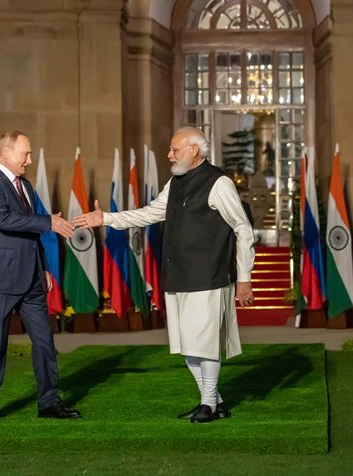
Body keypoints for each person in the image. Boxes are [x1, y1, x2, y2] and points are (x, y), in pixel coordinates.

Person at [72, 126, 255, 423]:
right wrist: (105, 218)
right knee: (187, 344)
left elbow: (243, 228)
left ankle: (208, 403)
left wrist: (244, 277)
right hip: (178, 274)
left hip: (208, 276)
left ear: (194, 150)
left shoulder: (219, 182)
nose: (169, 155)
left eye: (174, 149)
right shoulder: (176, 182)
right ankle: (215, 401)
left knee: (205, 342)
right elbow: (150, 213)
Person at [0, 131, 80, 424]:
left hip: (32, 278)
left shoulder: (27, 186)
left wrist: (43, 267)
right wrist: (49, 222)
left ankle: (49, 403)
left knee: (45, 342)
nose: (30, 160)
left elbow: (31, 232)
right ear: (7, 152)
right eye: (26, 154)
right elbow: (5, 219)